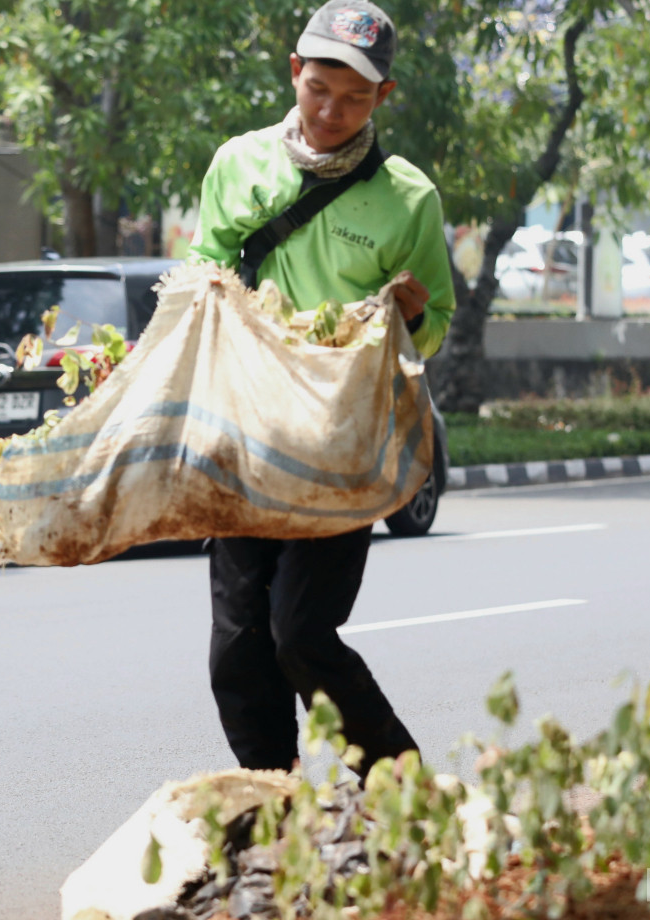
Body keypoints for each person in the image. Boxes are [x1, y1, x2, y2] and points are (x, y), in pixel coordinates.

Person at [188, 0, 455, 779]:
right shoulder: (238, 164)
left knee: (300, 634)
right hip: (247, 431)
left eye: (355, 98)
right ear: (295, 72)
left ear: (384, 96)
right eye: (319, 90)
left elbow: (434, 325)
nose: (332, 112)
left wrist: (413, 316)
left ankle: (400, 784)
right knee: (237, 645)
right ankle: (272, 795)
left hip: (342, 445)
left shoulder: (409, 198)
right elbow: (203, 271)